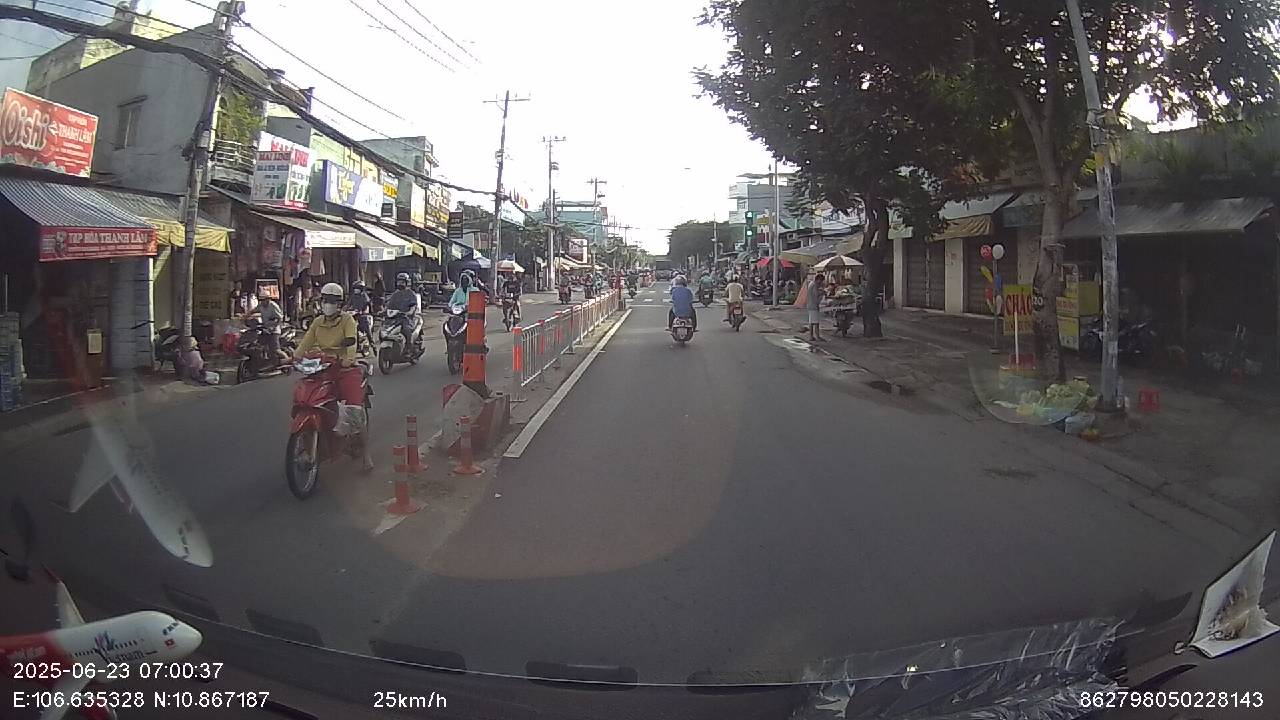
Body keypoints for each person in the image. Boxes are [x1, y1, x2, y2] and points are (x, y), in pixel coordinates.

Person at [293, 283, 372, 470]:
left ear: (340, 304)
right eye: (325, 300)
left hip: (344, 368)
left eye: (332, 301)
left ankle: (366, 455)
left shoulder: (347, 320)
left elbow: (351, 343)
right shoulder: (317, 322)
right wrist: (293, 357)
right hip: (323, 367)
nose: (328, 304)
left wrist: (348, 359)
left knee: (354, 410)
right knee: (305, 396)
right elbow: (305, 343)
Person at [255, 290, 288, 363]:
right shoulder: (261, 306)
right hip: (266, 330)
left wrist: (273, 327)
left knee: (276, 350)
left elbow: (280, 318)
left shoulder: (273, 306)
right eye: (261, 300)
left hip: (274, 331)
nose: (262, 302)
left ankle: (288, 360)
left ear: (268, 299)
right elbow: (254, 311)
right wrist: (245, 316)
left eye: (263, 300)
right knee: (260, 347)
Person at [347, 281, 374, 350]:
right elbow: (348, 305)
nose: (356, 290)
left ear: (361, 289)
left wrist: (363, 311)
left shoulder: (365, 296)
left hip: (363, 316)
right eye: (355, 288)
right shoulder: (353, 296)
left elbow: (367, 306)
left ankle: (372, 343)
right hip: (354, 315)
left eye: (357, 288)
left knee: (366, 328)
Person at [806, 273, 826, 342]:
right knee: (816, 322)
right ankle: (817, 336)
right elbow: (816, 295)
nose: (821, 283)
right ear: (818, 279)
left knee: (811, 322)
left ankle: (811, 336)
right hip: (813, 305)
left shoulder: (811, 284)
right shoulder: (814, 285)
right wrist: (822, 293)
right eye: (821, 281)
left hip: (810, 305)